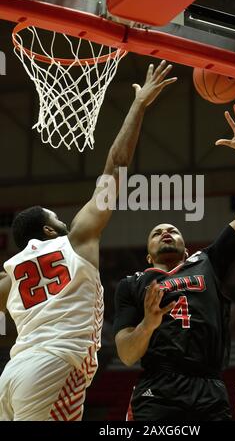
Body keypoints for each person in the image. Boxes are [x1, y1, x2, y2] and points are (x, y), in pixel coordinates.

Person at [0, 60, 177, 421]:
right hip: (55, 365)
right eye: (57, 219)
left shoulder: (10, 276)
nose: (65, 221)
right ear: (49, 231)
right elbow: (116, 164)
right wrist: (138, 105)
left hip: (11, 375)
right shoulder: (76, 238)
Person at [114, 104, 235, 421]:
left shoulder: (207, 261)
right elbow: (127, 354)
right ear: (148, 253)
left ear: (185, 247)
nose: (166, 231)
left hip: (208, 384)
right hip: (159, 386)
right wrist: (148, 324)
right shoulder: (132, 284)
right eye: (157, 232)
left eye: (173, 230)